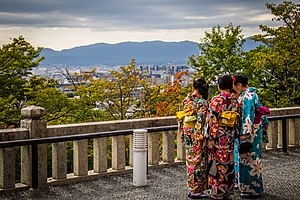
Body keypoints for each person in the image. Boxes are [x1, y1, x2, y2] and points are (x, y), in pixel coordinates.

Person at [232, 73, 269, 198]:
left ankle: (249, 188)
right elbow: (261, 111)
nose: (234, 88)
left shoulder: (247, 96)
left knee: (248, 159)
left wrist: (244, 133)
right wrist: (264, 124)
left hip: (249, 133)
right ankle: (254, 187)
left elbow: (247, 115)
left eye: (235, 85)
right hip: (256, 130)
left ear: (239, 84)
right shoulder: (253, 94)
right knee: (254, 159)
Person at [206, 74, 240, 200]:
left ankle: (217, 191)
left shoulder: (216, 100)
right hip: (230, 136)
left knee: (218, 163)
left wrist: (211, 137)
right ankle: (228, 191)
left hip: (219, 138)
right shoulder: (234, 100)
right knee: (229, 163)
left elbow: (212, 119)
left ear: (219, 86)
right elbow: (237, 118)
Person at [177, 77, 210, 199]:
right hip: (196, 133)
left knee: (190, 161)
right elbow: (201, 121)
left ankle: (191, 188)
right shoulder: (202, 102)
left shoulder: (187, 99)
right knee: (198, 161)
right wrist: (200, 136)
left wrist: (181, 133)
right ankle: (196, 189)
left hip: (187, 132)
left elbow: (181, 117)